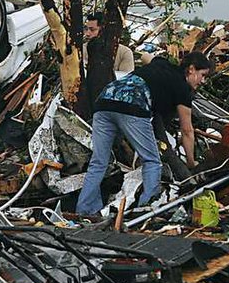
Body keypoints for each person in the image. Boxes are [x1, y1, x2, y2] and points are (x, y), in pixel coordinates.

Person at [76, 51, 212, 215]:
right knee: (152, 162)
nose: (203, 81)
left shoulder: (162, 63)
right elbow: (187, 130)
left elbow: (145, 57)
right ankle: (146, 211)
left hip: (105, 100)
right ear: (191, 69)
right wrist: (191, 162)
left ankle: (84, 211)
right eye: (202, 75)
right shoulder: (183, 88)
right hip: (132, 105)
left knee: (98, 162)